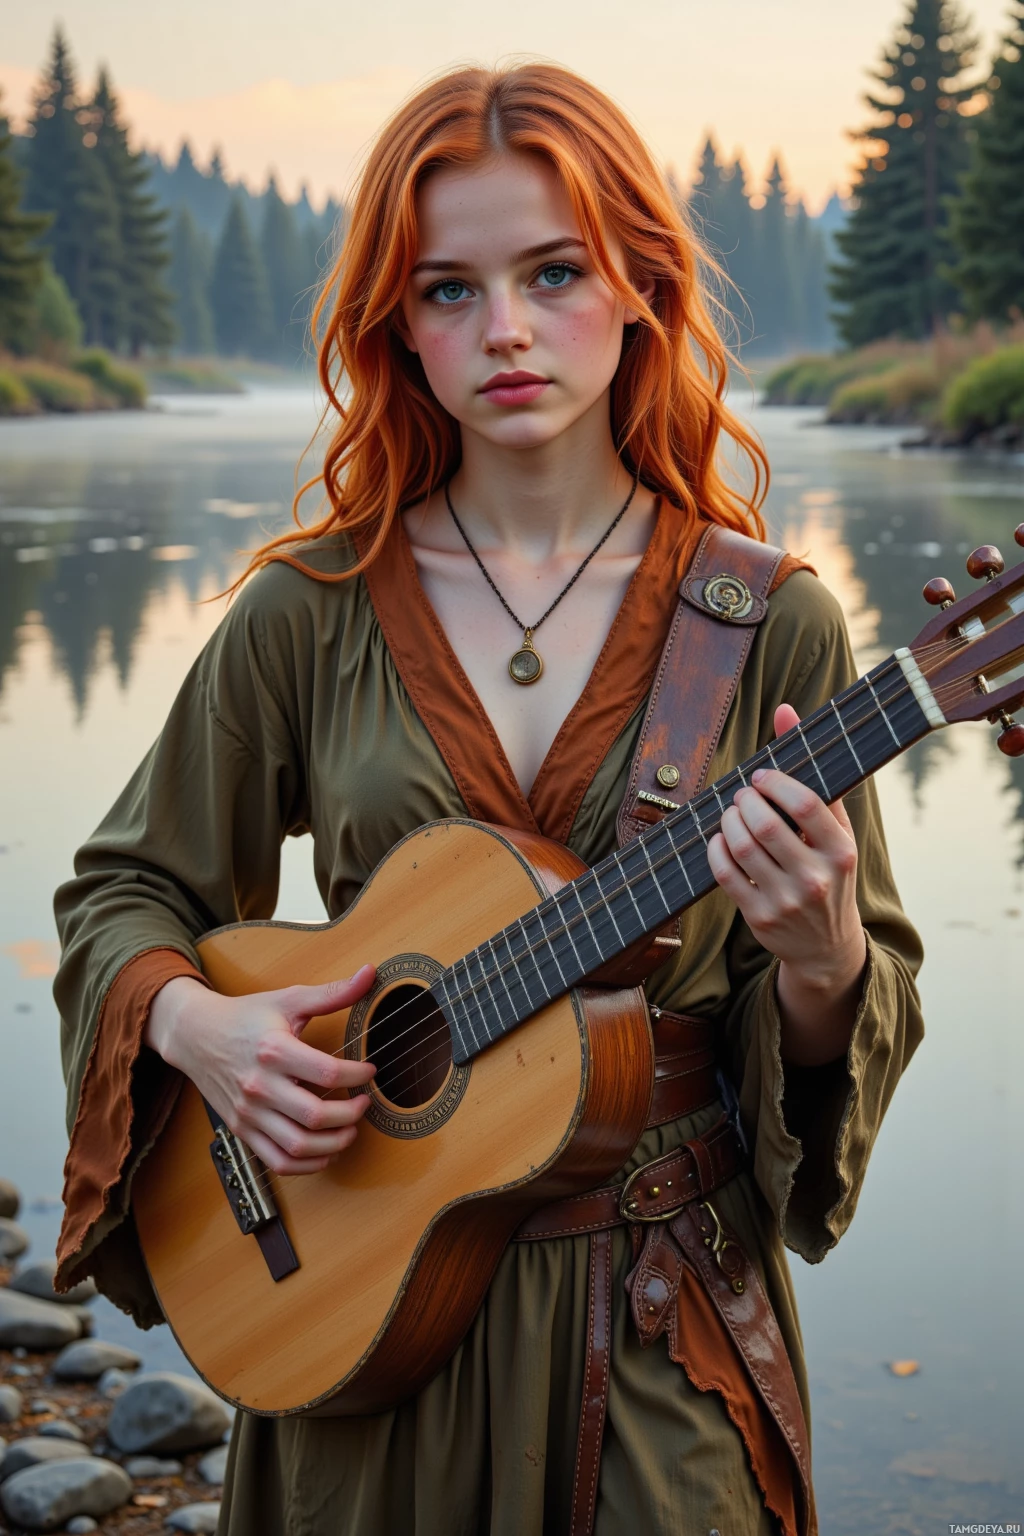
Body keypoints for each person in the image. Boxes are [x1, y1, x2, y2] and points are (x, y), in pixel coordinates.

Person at [53, 63, 924, 1536]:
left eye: (553, 273)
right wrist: (204, 1030)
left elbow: (853, 998)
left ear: (642, 284)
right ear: (396, 324)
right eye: (448, 289)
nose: (505, 328)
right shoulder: (308, 608)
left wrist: (825, 956)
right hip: (352, 1308)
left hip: (657, 1328)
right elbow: (125, 892)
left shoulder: (768, 623)